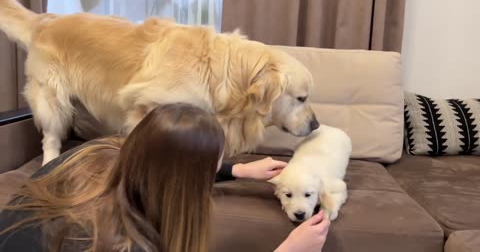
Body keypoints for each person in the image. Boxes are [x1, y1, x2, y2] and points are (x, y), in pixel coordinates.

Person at [0, 103, 330, 252]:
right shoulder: (122, 242)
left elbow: (162, 169)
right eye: (215, 164)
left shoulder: (102, 152)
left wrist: (240, 171)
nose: (221, 165)